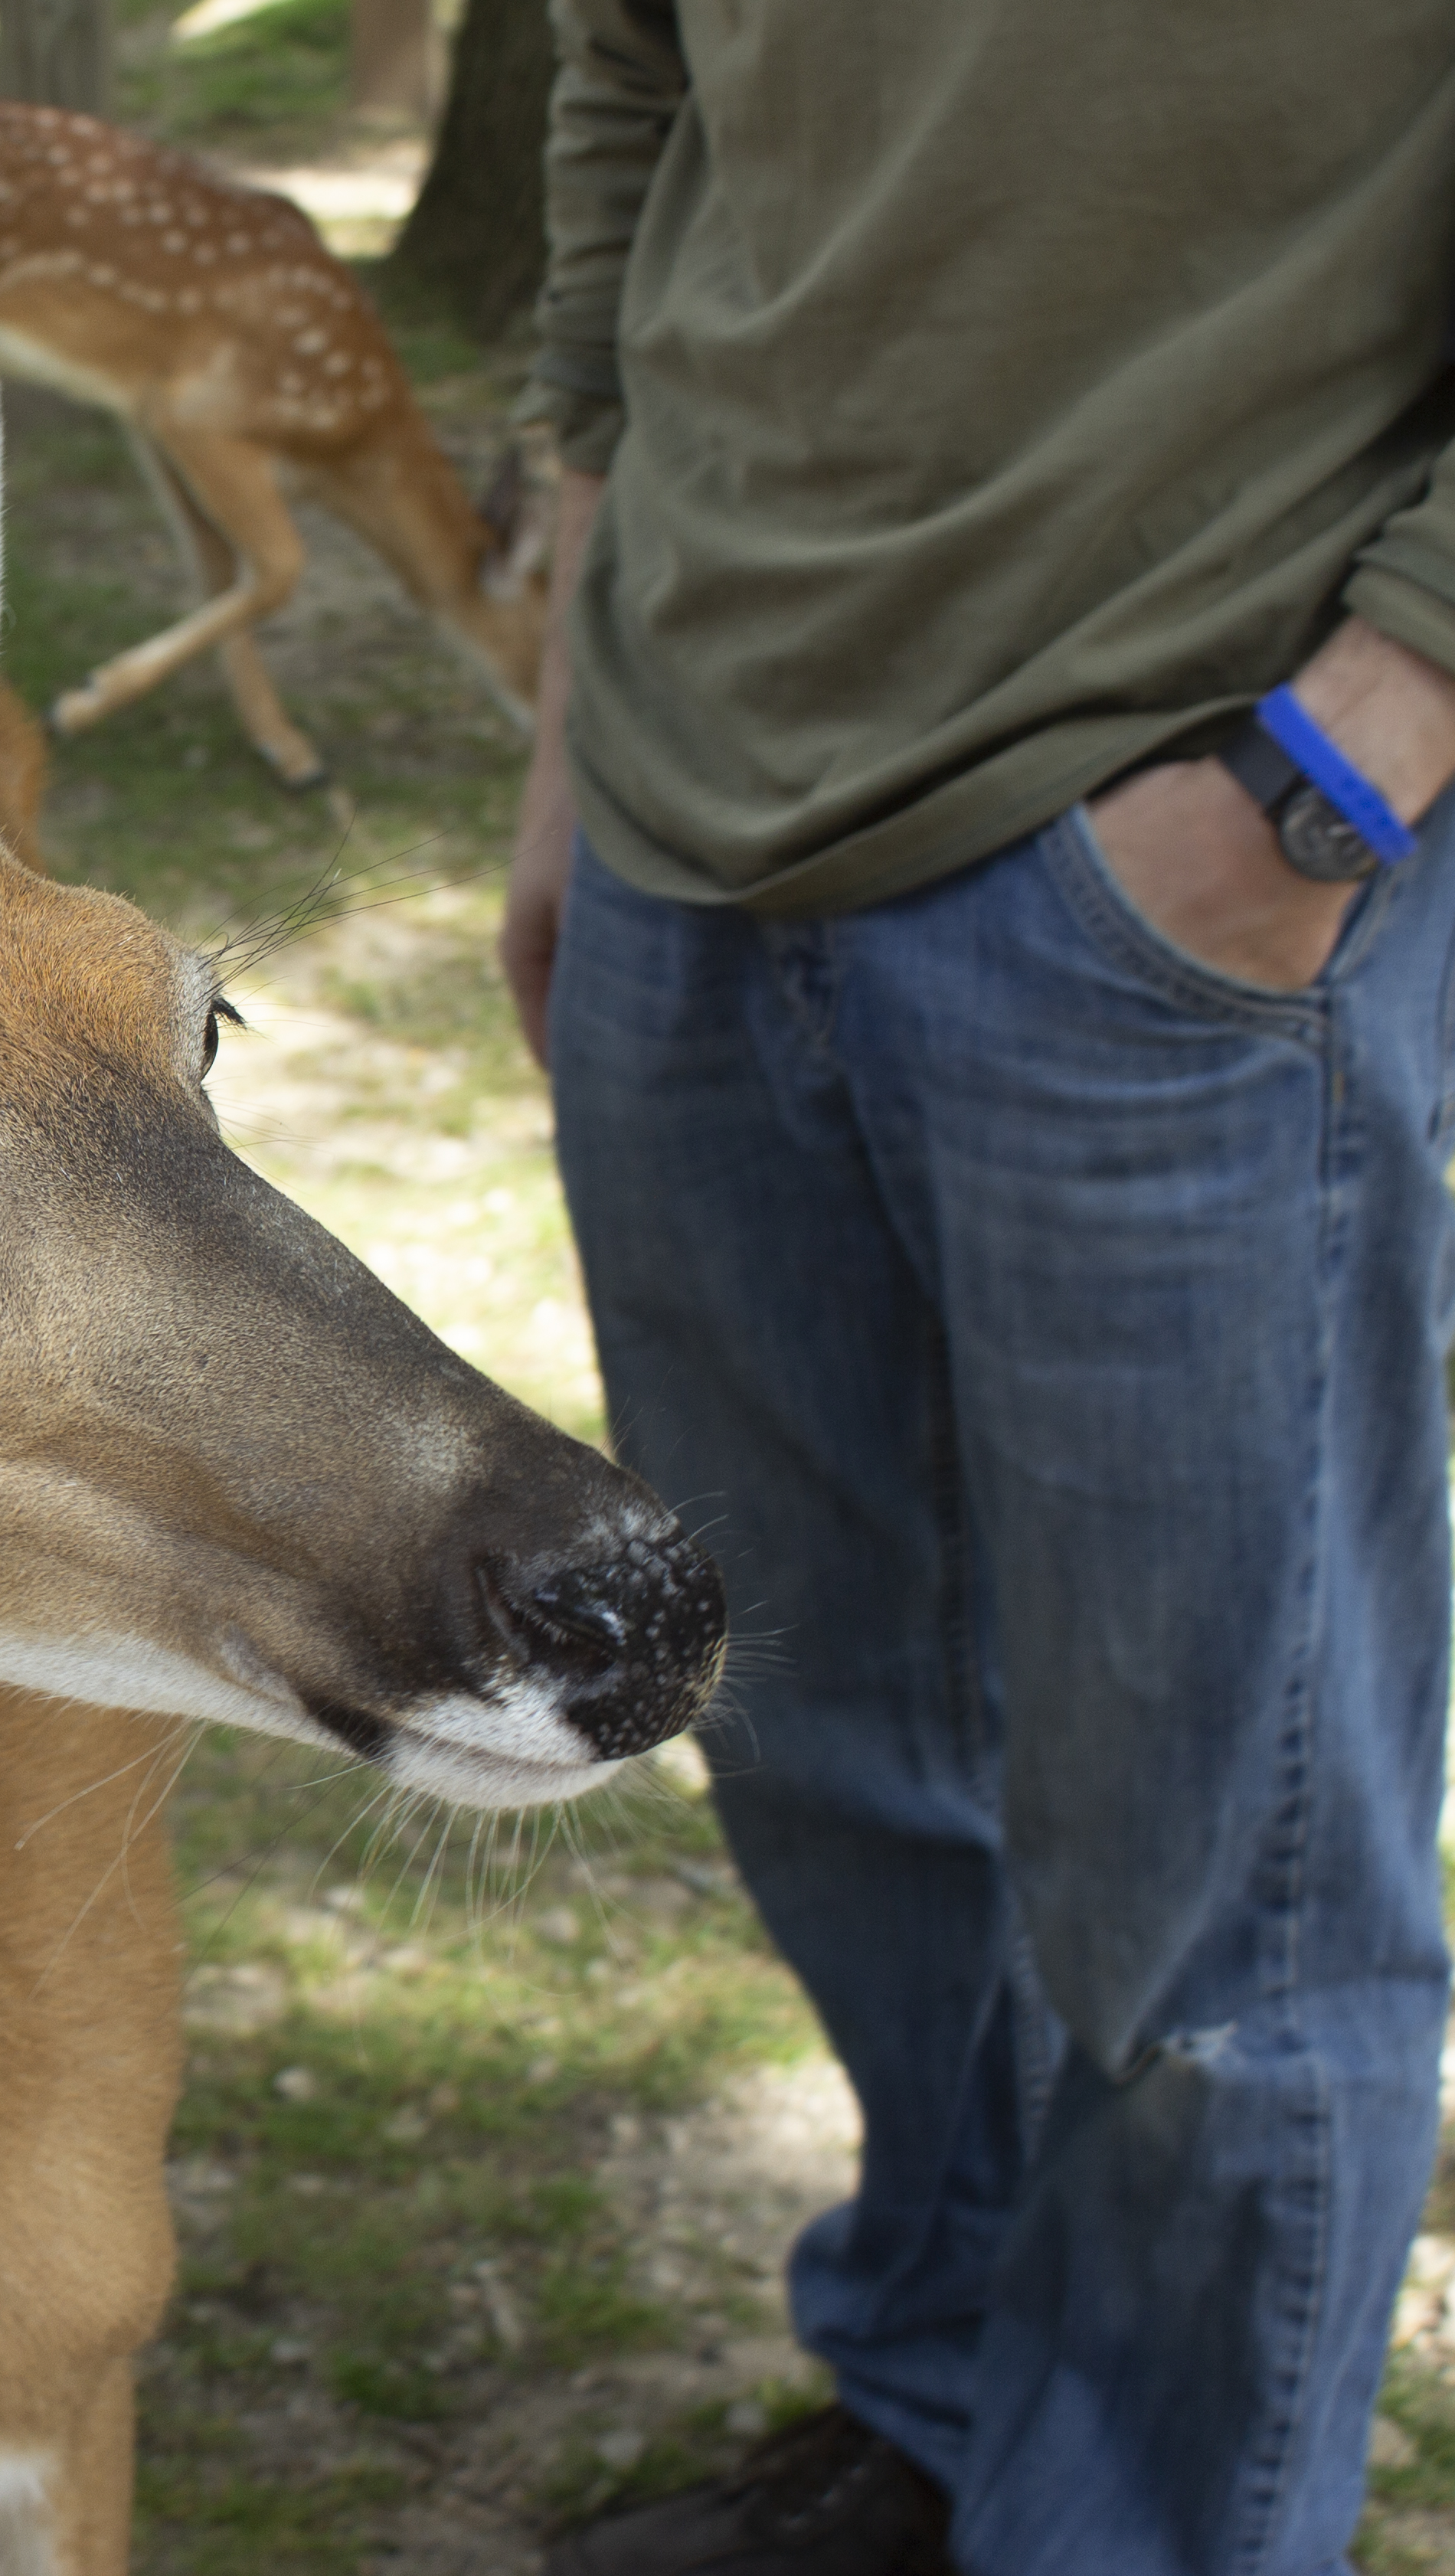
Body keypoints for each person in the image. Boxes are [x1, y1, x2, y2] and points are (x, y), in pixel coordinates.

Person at [507, 8, 1455, 2571]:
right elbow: (630, 74)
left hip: (1188, 831)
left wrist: (1358, 748)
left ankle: (1143, 2525)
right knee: (836, 1759)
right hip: (693, 820)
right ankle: (947, 2407)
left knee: (1219, 1888)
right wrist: (579, 700)